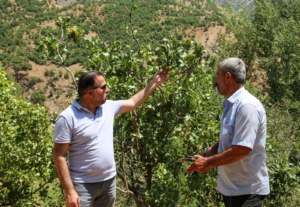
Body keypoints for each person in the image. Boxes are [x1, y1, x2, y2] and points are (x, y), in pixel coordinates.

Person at [53, 70, 170, 207]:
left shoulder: (107, 107)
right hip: (82, 186)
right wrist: (69, 191)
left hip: (108, 182)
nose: (107, 90)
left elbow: (133, 102)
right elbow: (59, 154)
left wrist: (154, 83)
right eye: (103, 87)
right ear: (90, 93)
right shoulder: (67, 117)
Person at [186, 57, 269, 207]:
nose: (216, 80)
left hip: (247, 191)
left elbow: (242, 149)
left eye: (218, 75)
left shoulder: (247, 106)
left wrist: (207, 163)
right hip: (232, 190)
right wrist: (211, 151)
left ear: (227, 77)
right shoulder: (231, 104)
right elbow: (230, 137)